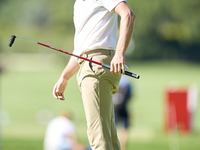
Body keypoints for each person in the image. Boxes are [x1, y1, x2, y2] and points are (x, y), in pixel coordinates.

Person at [53, 0, 135, 149]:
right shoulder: (79, 3)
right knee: (108, 137)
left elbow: (128, 14)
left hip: (97, 65)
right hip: (88, 63)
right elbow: (81, 49)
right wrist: (65, 76)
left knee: (99, 138)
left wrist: (119, 53)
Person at [113, 75, 133, 150]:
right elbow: (130, 95)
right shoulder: (127, 80)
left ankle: (114, 146)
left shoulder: (113, 76)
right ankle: (123, 147)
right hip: (123, 107)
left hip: (113, 107)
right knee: (124, 128)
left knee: (113, 127)